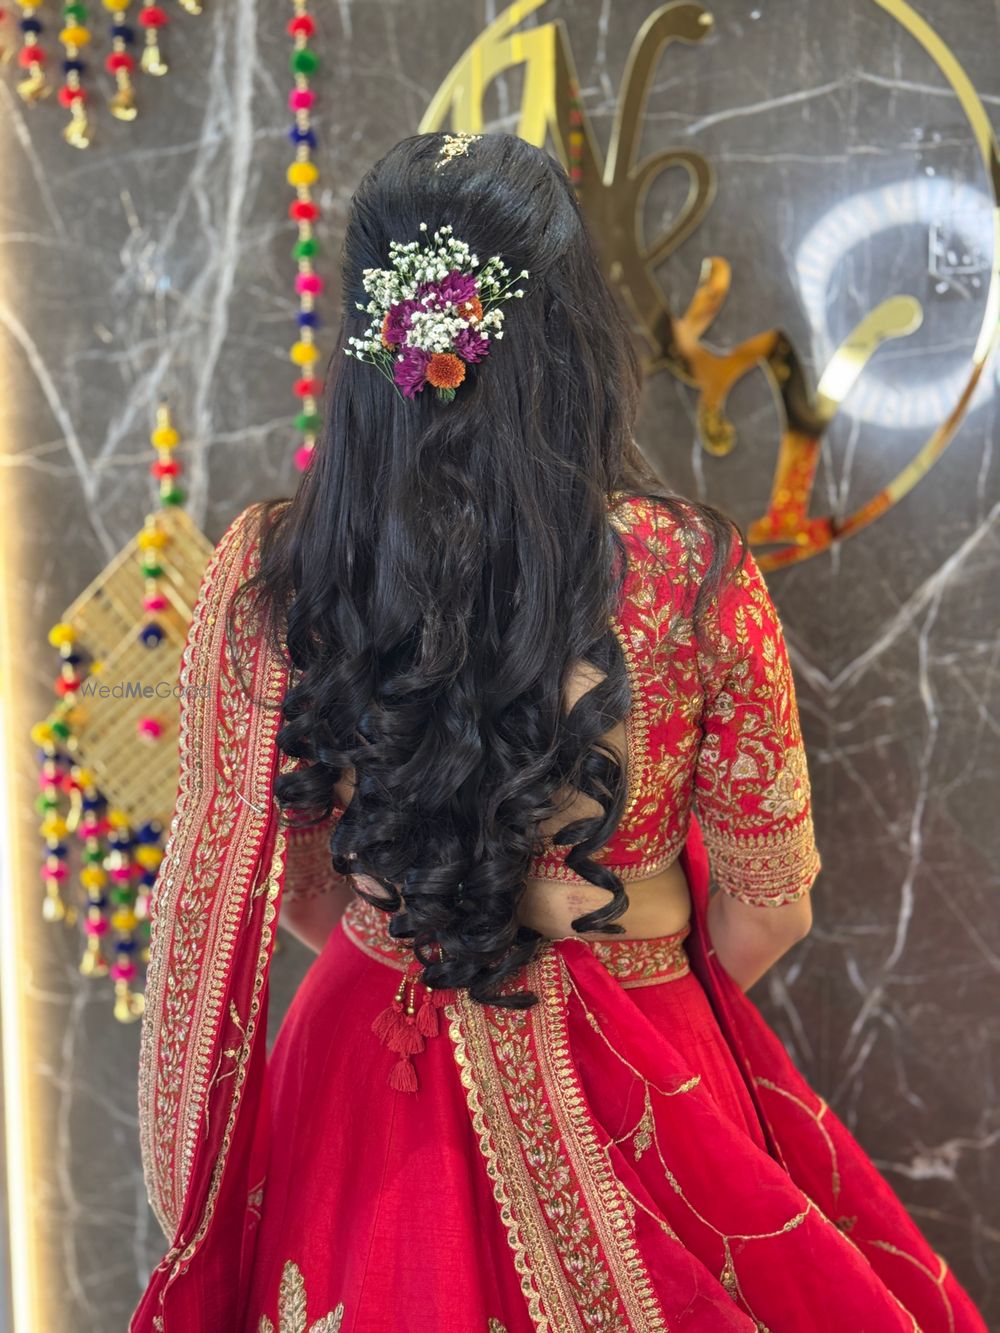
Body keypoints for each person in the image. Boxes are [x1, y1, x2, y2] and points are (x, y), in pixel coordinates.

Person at [130, 132, 985, 1332]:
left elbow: (295, 879)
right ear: (570, 330)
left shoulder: (284, 569)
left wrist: (428, 930)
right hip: (636, 1055)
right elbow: (769, 907)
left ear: (371, 343)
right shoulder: (687, 573)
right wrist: (615, 997)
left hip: (369, 1053)